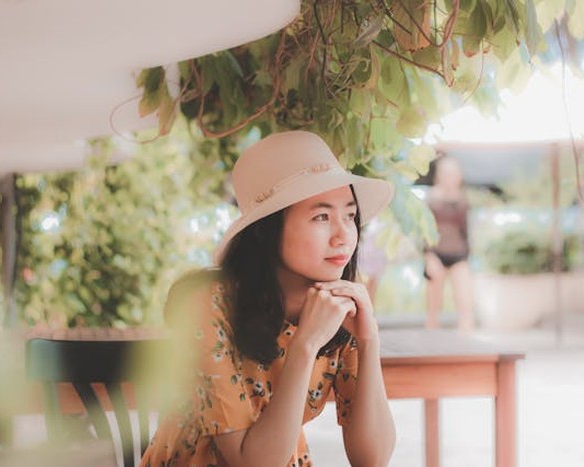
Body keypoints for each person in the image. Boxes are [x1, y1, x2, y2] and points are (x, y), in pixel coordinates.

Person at [141, 131, 396, 467]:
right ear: (268, 230)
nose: (343, 236)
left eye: (349, 216)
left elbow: (372, 459)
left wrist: (368, 340)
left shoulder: (336, 308)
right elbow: (251, 463)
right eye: (321, 217)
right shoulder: (208, 305)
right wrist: (305, 345)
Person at [423, 156, 475, 331]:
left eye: (453, 173)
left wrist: (468, 257)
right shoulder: (432, 198)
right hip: (436, 254)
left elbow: (466, 231)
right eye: (446, 173)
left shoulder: (463, 199)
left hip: (459, 255)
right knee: (433, 309)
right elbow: (424, 230)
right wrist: (429, 256)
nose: (450, 177)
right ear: (439, 175)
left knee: (465, 304)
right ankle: (431, 340)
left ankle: (466, 341)